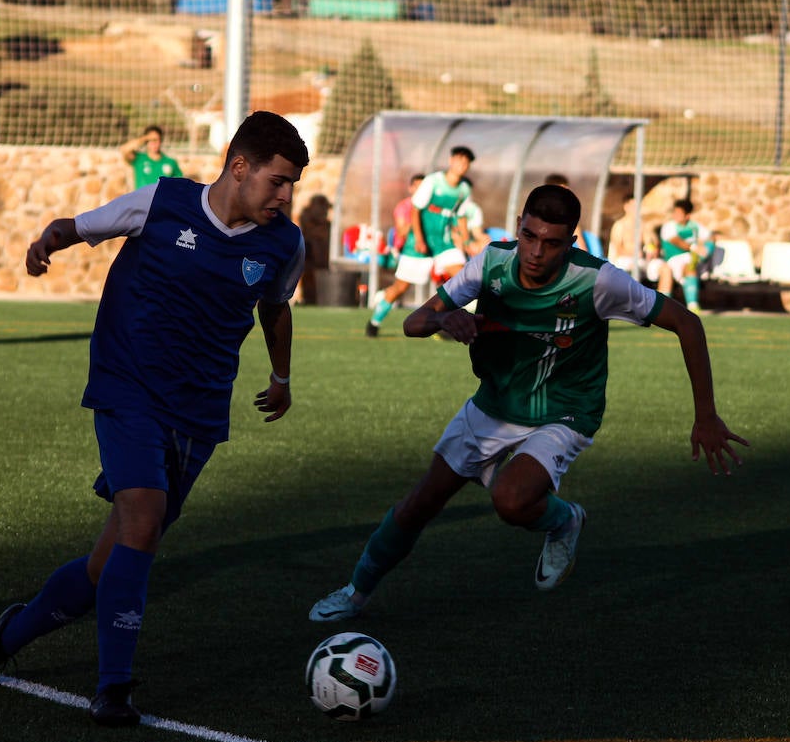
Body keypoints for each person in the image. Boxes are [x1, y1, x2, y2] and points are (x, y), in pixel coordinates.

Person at [0, 111, 309, 726]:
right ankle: (113, 689)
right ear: (238, 167)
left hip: (200, 411)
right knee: (142, 518)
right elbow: (79, 226)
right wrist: (46, 244)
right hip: (126, 386)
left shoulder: (284, 243)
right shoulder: (162, 202)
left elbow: (275, 308)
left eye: (291, 183)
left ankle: (5, 639)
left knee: (105, 565)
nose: (285, 195)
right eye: (277, 180)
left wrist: (282, 377)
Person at [310, 184, 747, 623]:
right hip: (494, 406)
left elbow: (687, 323)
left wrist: (705, 414)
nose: (536, 251)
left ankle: (564, 521)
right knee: (419, 505)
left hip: (565, 413)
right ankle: (355, 593)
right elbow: (413, 322)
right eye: (529, 236)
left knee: (512, 500)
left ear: (571, 243)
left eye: (552, 242)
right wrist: (446, 317)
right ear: (519, 226)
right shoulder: (491, 263)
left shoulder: (598, 280)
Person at [365, 147, 474, 337]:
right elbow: (416, 210)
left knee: (464, 278)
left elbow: (461, 216)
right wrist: (420, 239)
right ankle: (374, 323)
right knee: (401, 288)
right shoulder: (433, 181)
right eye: (459, 160)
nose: (462, 165)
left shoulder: (464, 189)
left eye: (466, 162)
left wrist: (466, 241)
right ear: (451, 161)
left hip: (443, 243)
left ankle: (450, 322)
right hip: (419, 243)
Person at [655, 199, 712, 314]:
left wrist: (707, 249)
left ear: (687, 215)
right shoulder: (669, 226)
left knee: (689, 265)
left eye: (679, 213)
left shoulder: (695, 226)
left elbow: (710, 237)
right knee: (683, 266)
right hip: (673, 260)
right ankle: (663, 308)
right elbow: (676, 240)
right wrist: (694, 248)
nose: (675, 215)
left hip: (692, 261)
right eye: (674, 212)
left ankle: (693, 305)